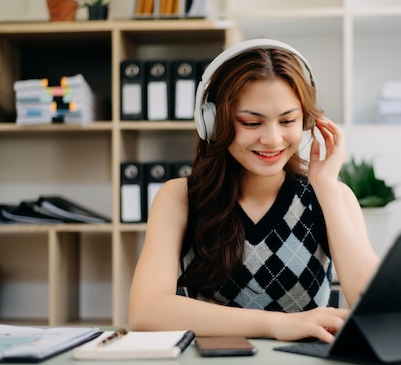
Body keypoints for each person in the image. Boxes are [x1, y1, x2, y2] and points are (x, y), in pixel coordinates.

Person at [129, 39, 380, 343]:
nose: (273, 139)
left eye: (288, 120)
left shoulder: (332, 196)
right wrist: (277, 324)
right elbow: (146, 311)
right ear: (213, 122)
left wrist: (326, 188)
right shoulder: (179, 198)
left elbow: (375, 308)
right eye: (251, 122)